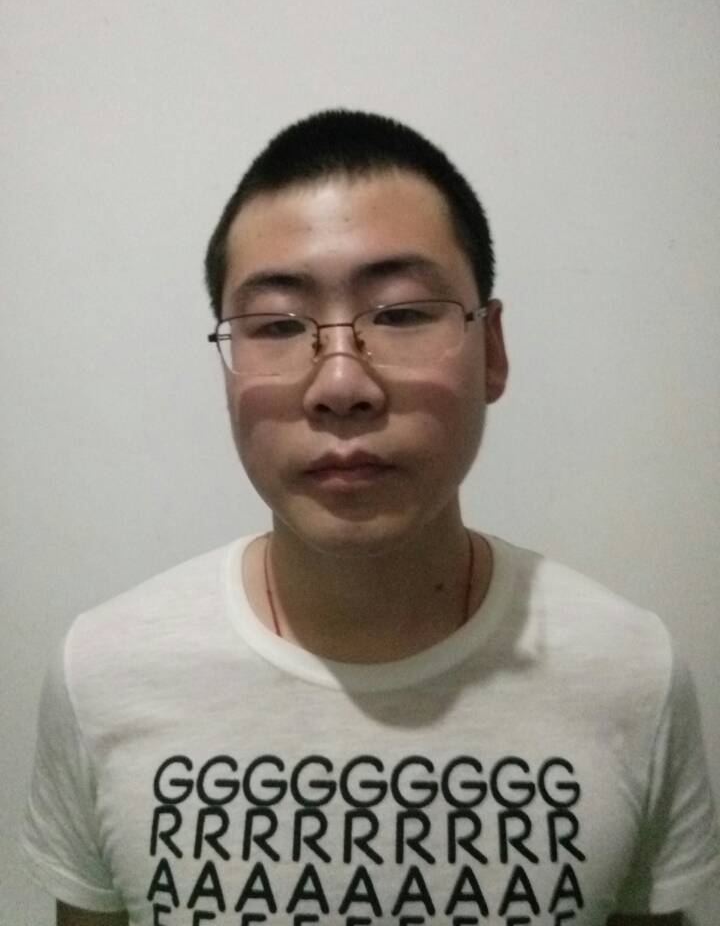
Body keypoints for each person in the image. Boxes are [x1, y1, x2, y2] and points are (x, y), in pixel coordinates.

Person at [21, 110, 719, 926]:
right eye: (277, 325)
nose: (341, 385)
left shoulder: (630, 675)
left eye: (401, 313)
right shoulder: (103, 674)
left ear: (492, 350)